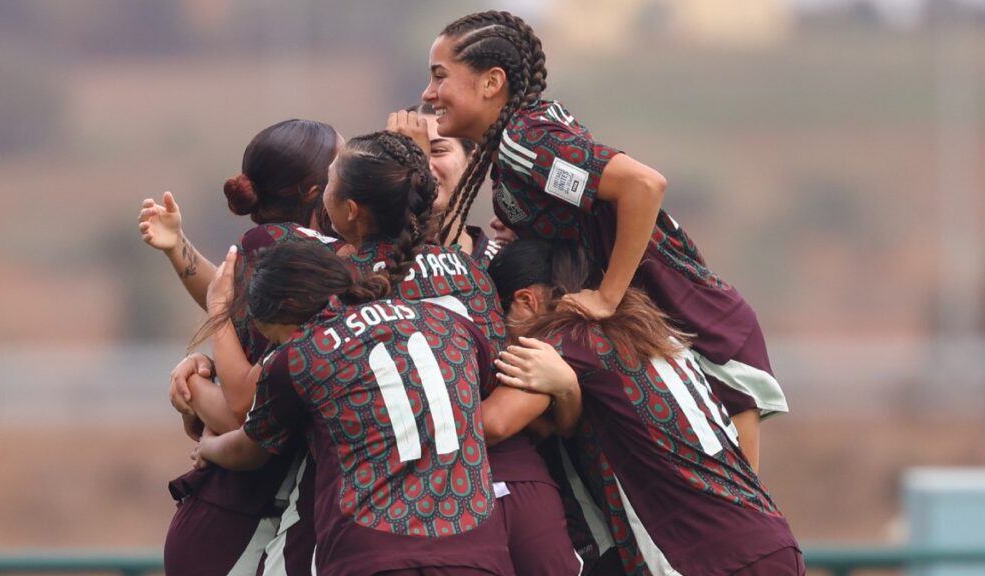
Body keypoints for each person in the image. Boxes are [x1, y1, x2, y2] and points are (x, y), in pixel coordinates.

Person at [420, 10, 786, 470]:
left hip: (700, 328)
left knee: (736, 514)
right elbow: (587, 207)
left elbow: (643, 185)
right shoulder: (518, 145)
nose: (428, 93)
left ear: (492, 82)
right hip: (670, 334)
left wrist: (607, 296)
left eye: (439, 76)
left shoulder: (524, 140)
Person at [325, 130, 582, 574]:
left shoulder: (338, 281)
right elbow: (505, 384)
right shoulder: (470, 269)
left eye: (331, 180)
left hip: (415, 498)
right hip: (517, 479)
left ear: (351, 209)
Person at [195, 241, 516, 576]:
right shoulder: (449, 324)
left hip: (372, 554)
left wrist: (208, 445)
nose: (278, 347)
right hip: (478, 553)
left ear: (287, 309)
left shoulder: (303, 355)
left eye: (275, 338)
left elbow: (249, 450)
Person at [485, 240, 805, 575]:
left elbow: (494, 423)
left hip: (711, 557)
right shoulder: (645, 326)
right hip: (767, 538)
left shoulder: (569, 336)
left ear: (526, 300)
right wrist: (567, 394)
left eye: (498, 323)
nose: (500, 340)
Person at [140, 118, 342, 575]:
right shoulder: (293, 246)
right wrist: (203, 394)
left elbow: (226, 301)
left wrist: (179, 250)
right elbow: (245, 410)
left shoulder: (285, 246)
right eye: (342, 164)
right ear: (314, 190)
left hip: (238, 512)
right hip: (238, 519)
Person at [388, 104, 501, 267]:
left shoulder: (501, 266)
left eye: (438, 150)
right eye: (407, 153)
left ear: (473, 162)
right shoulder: (368, 269)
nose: (424, 164)